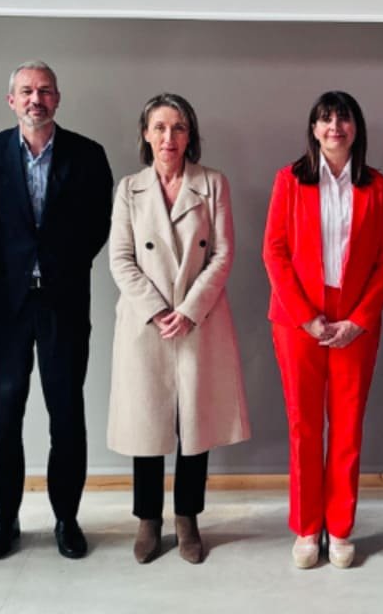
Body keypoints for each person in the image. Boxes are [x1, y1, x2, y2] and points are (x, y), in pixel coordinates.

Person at [0, 61, 113, 561]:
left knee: (66, 413)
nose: (36, 99)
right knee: (3, 413)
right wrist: (15, 265)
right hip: (5, 305)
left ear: (58, 98)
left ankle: (66, 518)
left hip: (64, 302)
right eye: (26, 91)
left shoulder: (88, 155)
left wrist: (53, 266)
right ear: (11, 100)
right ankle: (4, 518)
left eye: (45, 91)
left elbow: (98, 225)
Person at [107, 93, 251, 565]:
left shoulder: (212, 184)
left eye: (179, 128)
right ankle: (149, 518)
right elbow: (120, 258)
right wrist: (156, 309)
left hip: (198, 320)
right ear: (146, 135)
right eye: (160, 127)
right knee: (146, 421)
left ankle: (187, 517)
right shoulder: (129, 188)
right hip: (145, 323)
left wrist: (188, 310)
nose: (169, 137)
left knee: (197, 420)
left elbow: (224, 253)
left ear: (191, 135)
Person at [261, 90, 383, 570]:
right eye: (325, 119)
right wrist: (306, 316)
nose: (334, 126)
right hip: (299, 318)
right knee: (302, 425)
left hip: (355, 320)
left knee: (346, 426)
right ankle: (307, 527)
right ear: (314, 129)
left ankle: (339, 527)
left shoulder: (376, 186)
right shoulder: (289, 180)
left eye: (343, 119)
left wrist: (359, 320)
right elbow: (274, 252)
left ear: (356, 128)